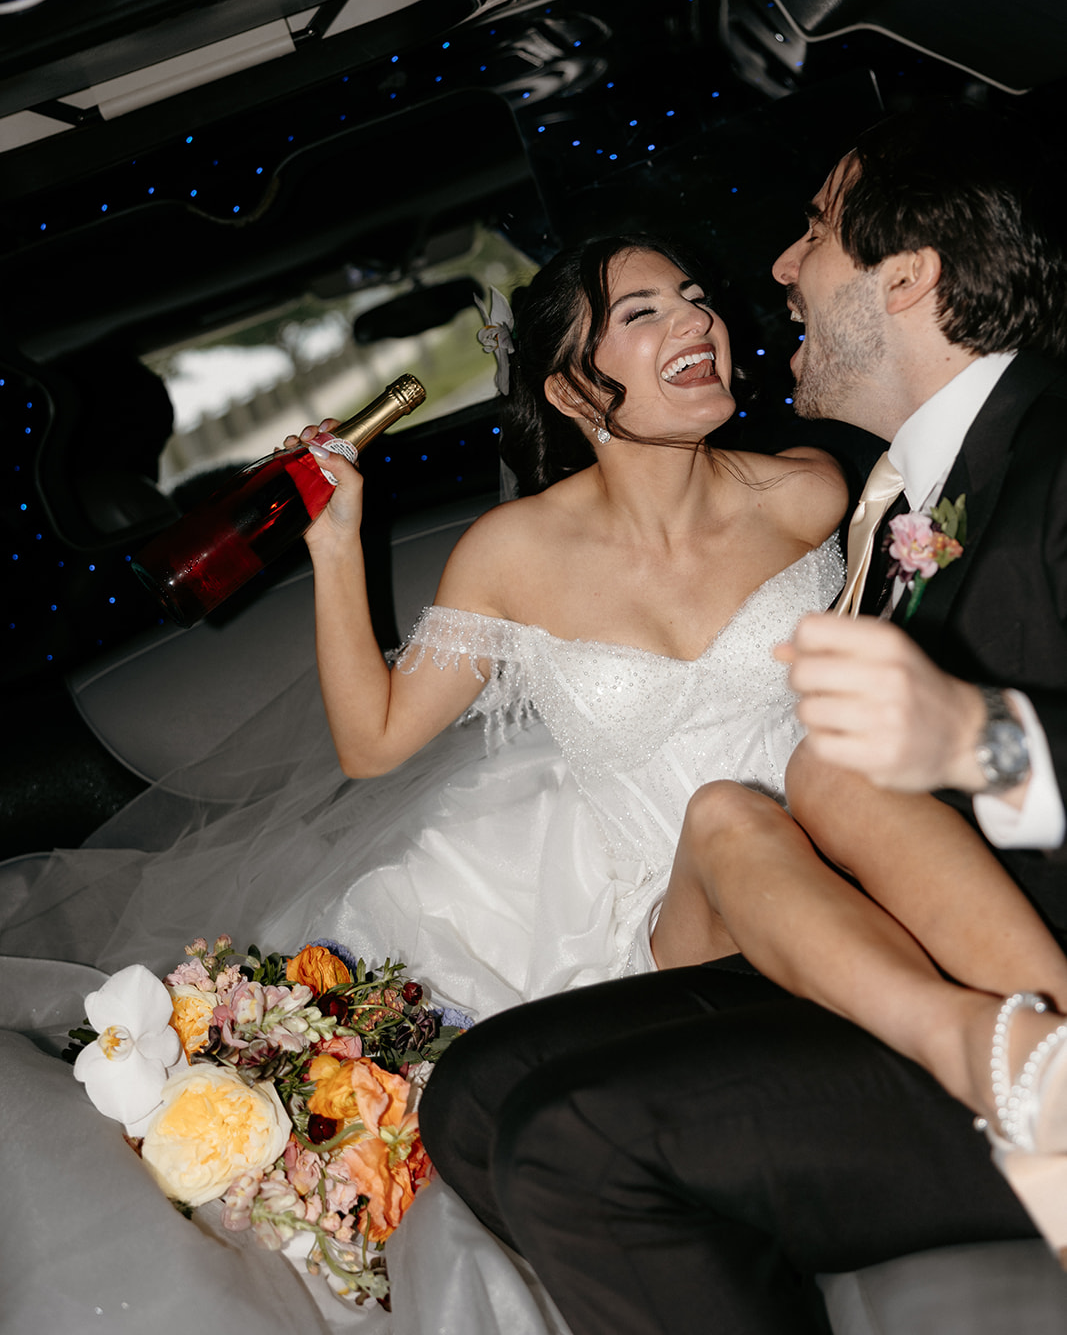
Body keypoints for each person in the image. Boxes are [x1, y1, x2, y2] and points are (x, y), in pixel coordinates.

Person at [0, 231, 853, 1335]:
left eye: (694, 297)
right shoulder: (510, 553)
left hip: (828, 839)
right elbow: (375, 742)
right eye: (644, 313)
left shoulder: (810, 491)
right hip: (646, 905)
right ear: (570, 386)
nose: (695, 320)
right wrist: (341, 544)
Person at [417, 102, 1067, 1335]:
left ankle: (1035, 1081)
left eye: (813, 231)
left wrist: (973, 739)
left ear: (908, 276)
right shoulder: (888, 495)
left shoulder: (1053, 448)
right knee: (473, 1090)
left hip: (1022, 934)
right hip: (874, 909)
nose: (768, 272)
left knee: (569, 1143)